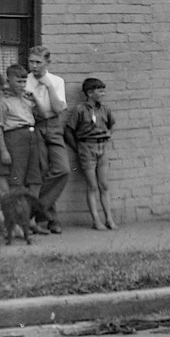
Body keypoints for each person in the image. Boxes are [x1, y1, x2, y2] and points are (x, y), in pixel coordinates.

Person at [25, 46, 68, 233]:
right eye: (31, 61)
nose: (34, 66)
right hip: (35, 127)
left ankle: (32, 211)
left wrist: (48, 85)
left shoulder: (57, 81)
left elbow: (58, 110)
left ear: (47, 63)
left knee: (63, 169)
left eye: (38, 62)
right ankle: (52, 220)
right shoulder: (25, 81)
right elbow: (36, 112)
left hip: (54, 126)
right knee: (42, 172)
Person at [64, 77, 117, 230]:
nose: (103, 94)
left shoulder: (105, 109)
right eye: (100, 91)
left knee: (104, 185)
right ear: (89, 93)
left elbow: (111, 125)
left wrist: (107, 136)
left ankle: (109, 219)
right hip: (86, 148)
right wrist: (78, 148)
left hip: (101, 148)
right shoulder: (80, 110)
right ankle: (96, 220)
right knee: (92, 185)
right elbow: (68, 131)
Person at [0, 64, 45, 224]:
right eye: (18, 81)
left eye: (24, 81)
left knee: (35, 180)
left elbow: (43, 114)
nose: (22, 85)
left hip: (31, 137)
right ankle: (20, 222)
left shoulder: (26, 99)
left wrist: (35, 98)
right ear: (8, 81)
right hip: (14, 138)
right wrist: (4, 150)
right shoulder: (3, 101)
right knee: (17, 182)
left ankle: (30, 221)